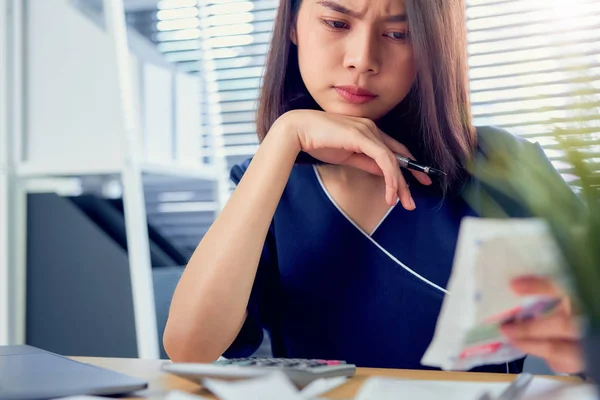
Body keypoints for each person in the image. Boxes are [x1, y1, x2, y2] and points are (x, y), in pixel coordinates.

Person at [163, 0, 584, 375]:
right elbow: (189, 348)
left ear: (432, 48)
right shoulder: (269, 178)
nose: (362, 59)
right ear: (292, 24)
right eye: (336, 22)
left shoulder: (504, 166)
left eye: (399, 34)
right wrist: (284, 137)